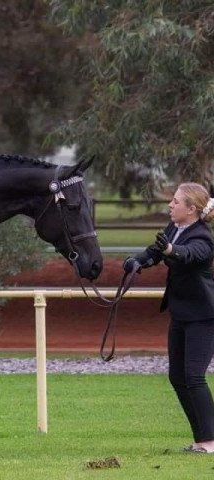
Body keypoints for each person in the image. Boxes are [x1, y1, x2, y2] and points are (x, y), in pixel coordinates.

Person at [123, 183, 214, 453]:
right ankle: (202, 440)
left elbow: (189, 255)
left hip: (203, 316)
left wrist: (171, 250)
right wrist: (137, 261)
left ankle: (210, 441)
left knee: (194, 376)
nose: (170, 205)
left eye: (175, 202)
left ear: (191, 209)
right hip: (181, 313)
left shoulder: (203, 237)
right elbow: (156, 251)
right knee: (177, 376)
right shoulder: (174, 227)